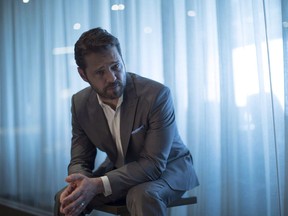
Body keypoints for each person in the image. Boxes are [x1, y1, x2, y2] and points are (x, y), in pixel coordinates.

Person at [54, 27, 199, 216]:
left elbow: (153, 165)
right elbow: (80, 159)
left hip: (168, 169)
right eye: (100, 72)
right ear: (83, 75)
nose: (112, 77)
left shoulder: (156, 95)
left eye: (116, 66)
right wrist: (80, 182)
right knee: (66, 199)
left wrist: (98, 184)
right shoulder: (80, 103)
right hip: (121, 170)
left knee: (141, 195)